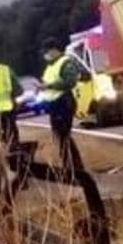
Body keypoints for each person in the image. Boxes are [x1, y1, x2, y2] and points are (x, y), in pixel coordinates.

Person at [38, 38, 85, 171]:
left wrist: (49, 85)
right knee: (60, 135)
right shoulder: (50, 66)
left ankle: (74, 166)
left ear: (54, 50)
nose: (45, 54)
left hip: (64, 102)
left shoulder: (65, 62)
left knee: (64, 135)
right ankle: (69, 165)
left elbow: (70, 82)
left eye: (46, 51)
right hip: (54, 104)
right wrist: (43, 87)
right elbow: (49, 83)